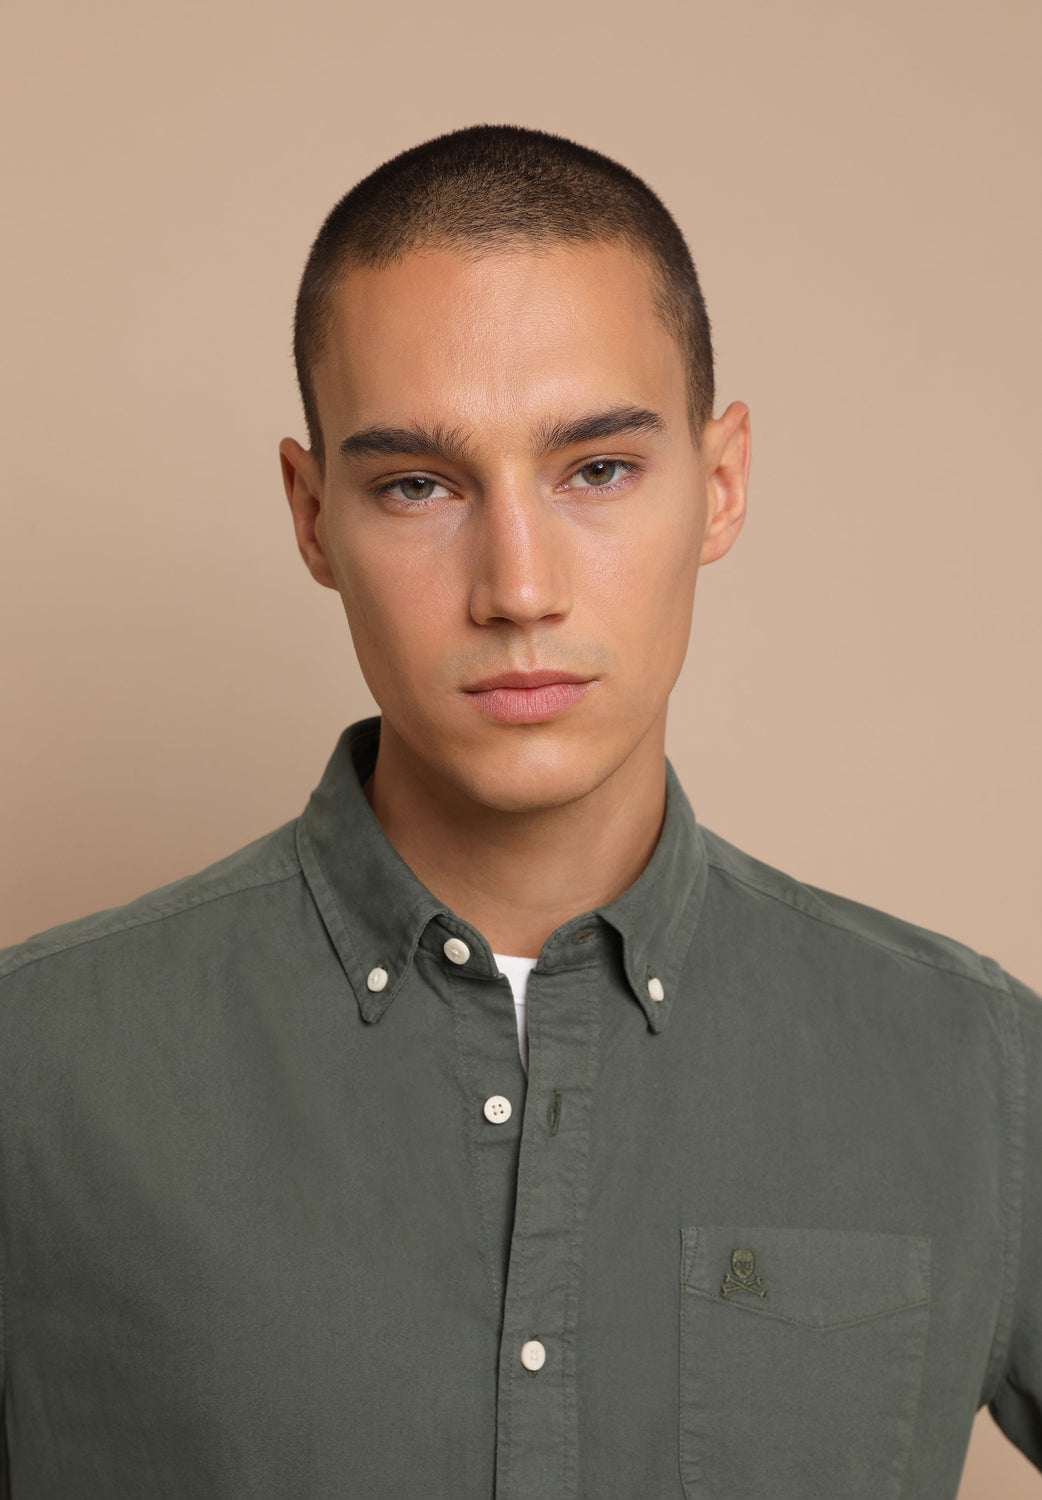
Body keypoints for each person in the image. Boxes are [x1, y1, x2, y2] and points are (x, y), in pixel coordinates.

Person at [0, 123, 1038, 1500]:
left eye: (596, 469)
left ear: (720, 484)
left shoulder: (973, 1068)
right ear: (311, 516)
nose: (518, 586)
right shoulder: (34, 1070)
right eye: (416, 485)